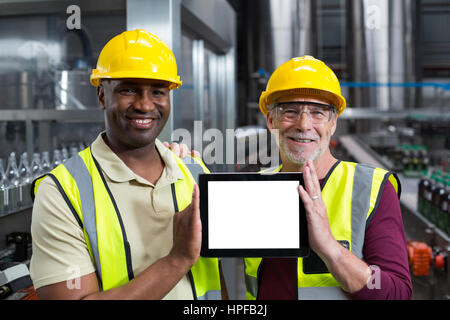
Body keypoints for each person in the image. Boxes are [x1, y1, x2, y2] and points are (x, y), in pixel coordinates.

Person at [30, 29, 225, 300]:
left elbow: (220, 279)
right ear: (102, 96)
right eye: (129, 90)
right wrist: (177, 260)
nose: (145, 105)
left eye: (158, 91)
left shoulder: (193, 170)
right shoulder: (62, 192)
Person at [244, 56, 412, 300]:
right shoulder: (251, 191)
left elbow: (396, 294)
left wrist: (331, 250)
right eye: (290, 112)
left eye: (317, 113)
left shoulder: (372, 189)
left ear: (333, 123)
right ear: (271, 121)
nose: (303, 124)